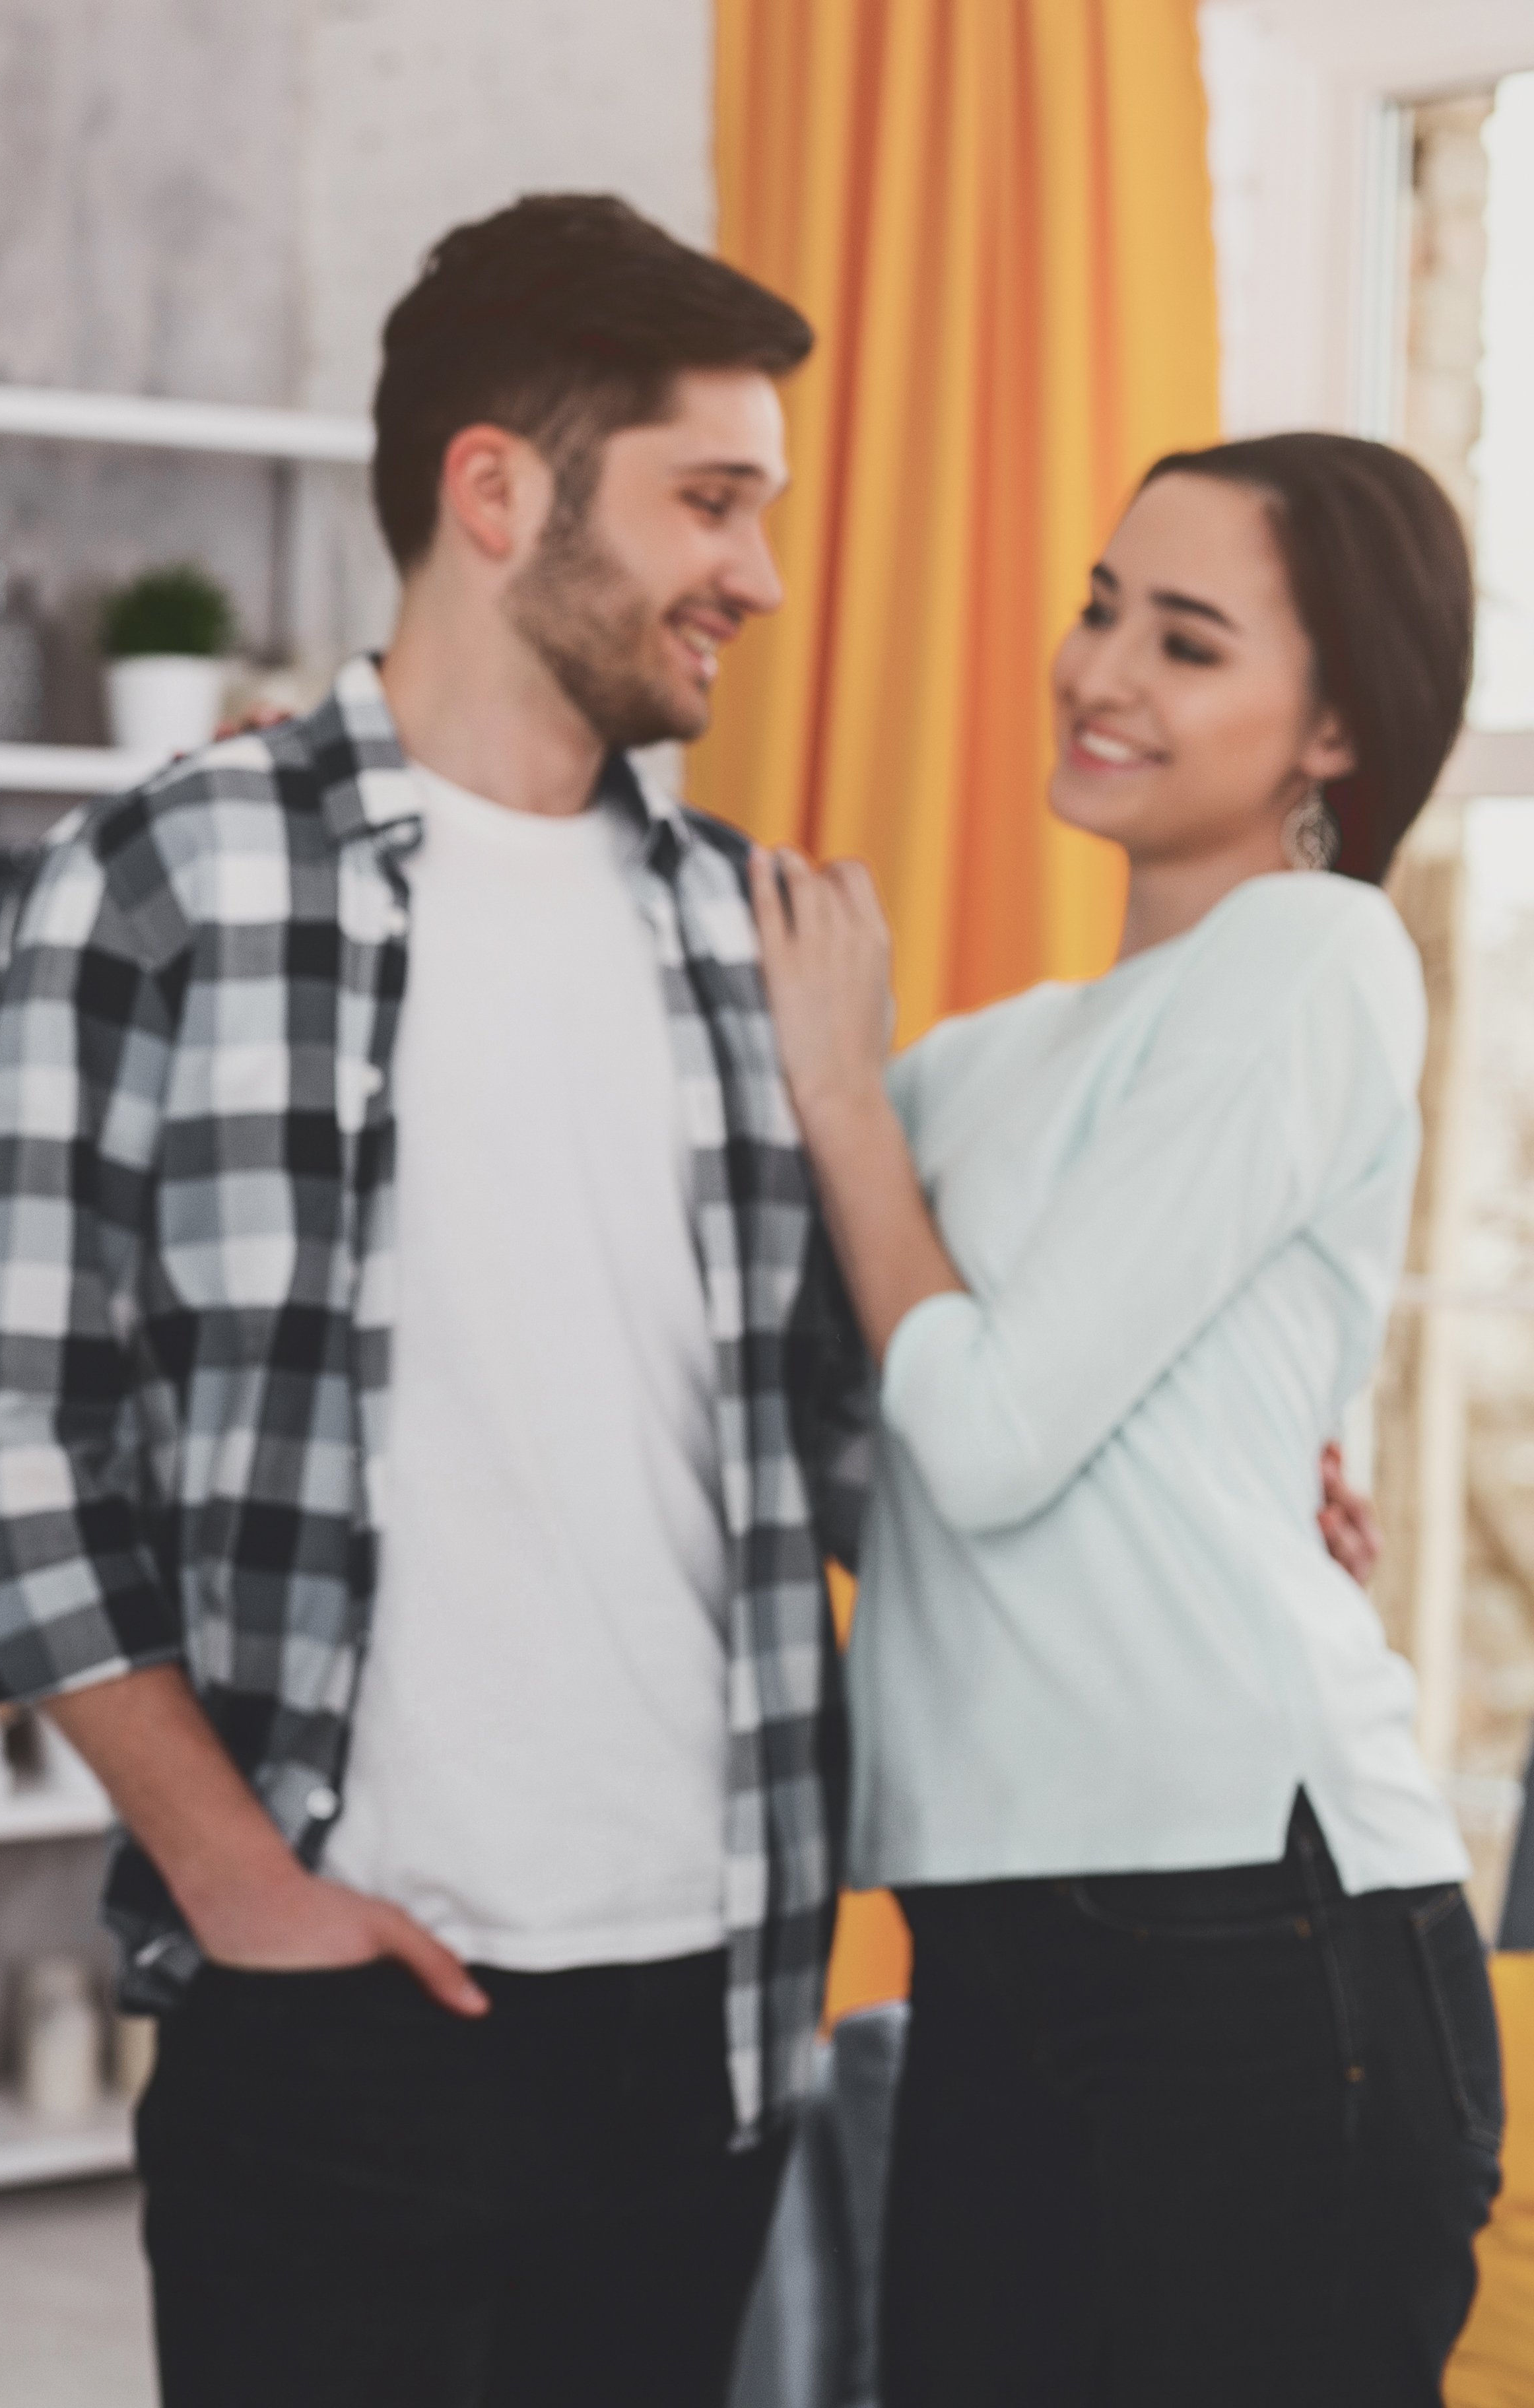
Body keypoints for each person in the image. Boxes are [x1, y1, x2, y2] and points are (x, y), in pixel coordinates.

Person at [0, 193, 849, 2406]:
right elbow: (3, 1433)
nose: (763, 573)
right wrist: (229, 1873)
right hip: (332, 2004)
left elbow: (851, 1431)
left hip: (707, 2001)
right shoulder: (174, 869)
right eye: (712, 500)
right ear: (496, 489)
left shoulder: (759, 933)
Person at [751, 432, 1497, 2405]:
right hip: (989, 1925)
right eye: (1099, 609)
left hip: (1258, 1927)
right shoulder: (982, 1064)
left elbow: (989, 1439)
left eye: (1186, 640)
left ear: (1334, 725)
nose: (1102, 674)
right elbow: (862, 1434)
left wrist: (838, 1102)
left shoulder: (1315, 958)